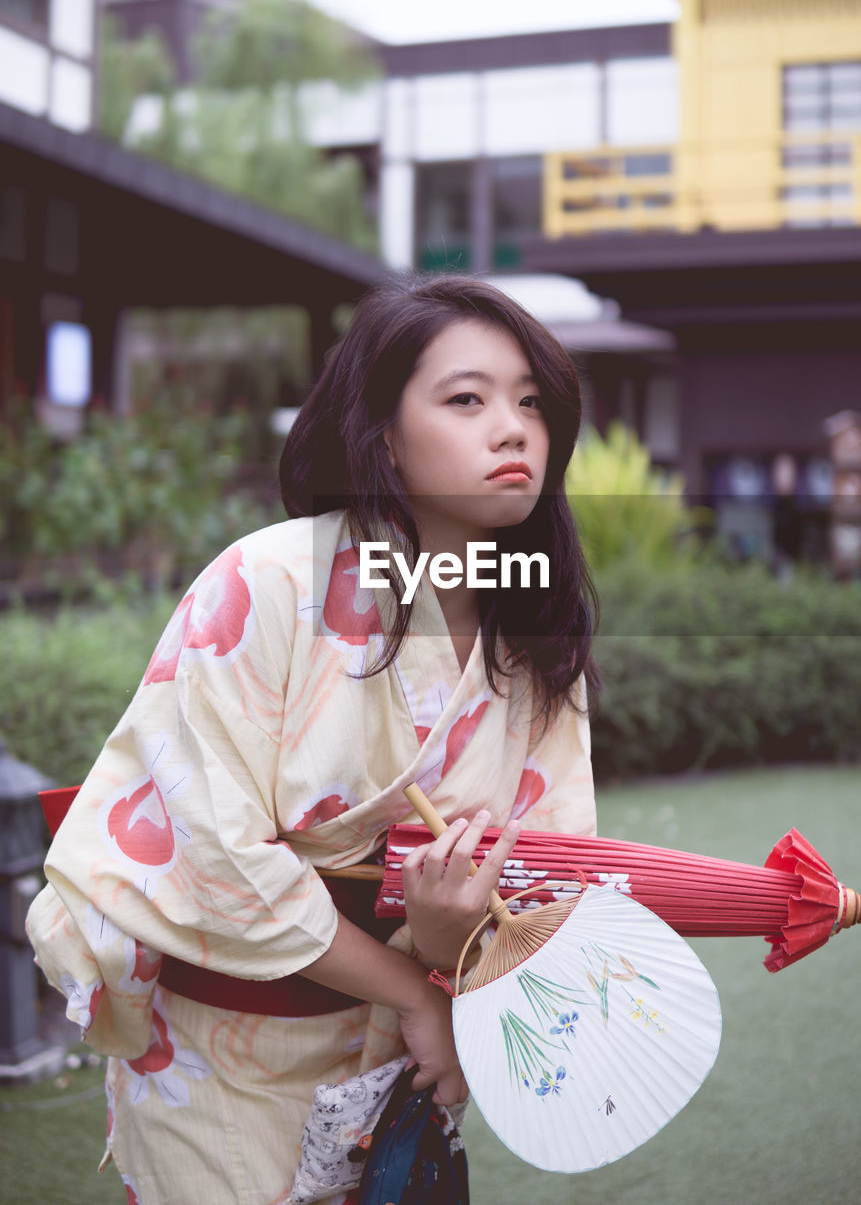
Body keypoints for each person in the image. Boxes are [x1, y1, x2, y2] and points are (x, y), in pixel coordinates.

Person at [26, 273, 599, 1205]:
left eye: (532, 403)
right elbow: (206, 839)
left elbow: (553, 856)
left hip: (405, 1048)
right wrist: (414, 985)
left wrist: (454, 940)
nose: (513, 430)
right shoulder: (268, 579)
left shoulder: (532, 628)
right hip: (225, 1047)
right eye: (467, 399)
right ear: (381, 432)